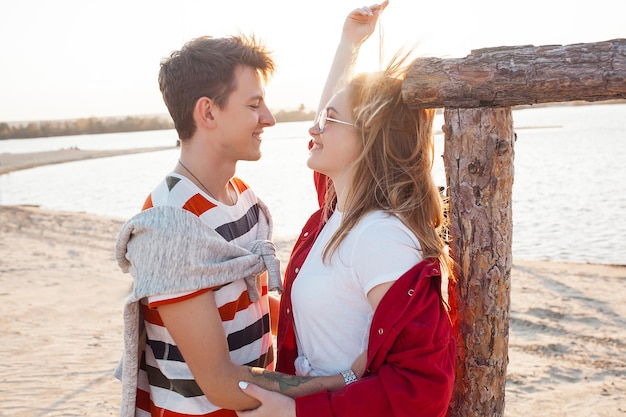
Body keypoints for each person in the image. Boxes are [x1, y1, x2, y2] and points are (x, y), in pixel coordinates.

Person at [114, 35, 372, 417]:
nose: (269, 118)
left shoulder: (244, 198)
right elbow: (221, 383)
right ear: (209, 114)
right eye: (254, 105)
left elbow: (248, 303)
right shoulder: (169, 225)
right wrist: (345, 380)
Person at [236, 2, 456, 417]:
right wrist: (348, 45)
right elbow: (334, 129)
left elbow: (422, 388)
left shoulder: (381, 238)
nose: (313, 128)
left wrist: (293, 413)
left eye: (329, 120)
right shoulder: (338, 213)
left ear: (368, 141)